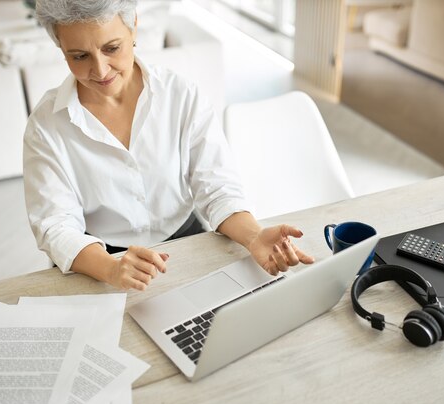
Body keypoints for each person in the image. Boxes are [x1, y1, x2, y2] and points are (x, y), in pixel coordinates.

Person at [24, 0, 314, 292]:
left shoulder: (181, 95)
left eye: (112, 48)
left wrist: (254, 236)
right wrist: (111, 268)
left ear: (133, 25)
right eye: (79, 56)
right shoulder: (47, 124)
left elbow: (217, 188)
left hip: (186, 241)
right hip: (99, 260)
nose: (99, 70)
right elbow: (55, 224)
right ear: (60, 47)